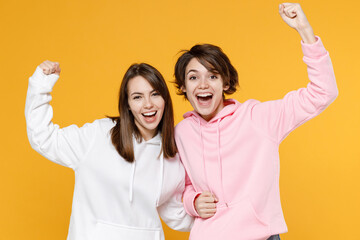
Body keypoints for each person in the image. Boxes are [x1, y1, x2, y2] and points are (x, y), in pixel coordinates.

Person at [173, 3, 338, 240]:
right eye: (193, 77)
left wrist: (304, 30)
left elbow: (323, 92)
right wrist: (193, 202)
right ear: (183, 87)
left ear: (226, 84)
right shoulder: (182, 132)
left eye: (212, 76)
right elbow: (184, 185)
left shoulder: (257, 118)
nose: (203, 84)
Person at [25, 61, 193, 240]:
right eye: (137, 97)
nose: (148, 104)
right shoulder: (98, 135)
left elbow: (175, 213)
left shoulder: (171, 155)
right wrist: (41, 85)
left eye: (155, 94)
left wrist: (216, 211)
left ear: (165, 99)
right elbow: (44, 138)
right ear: (127, 104)